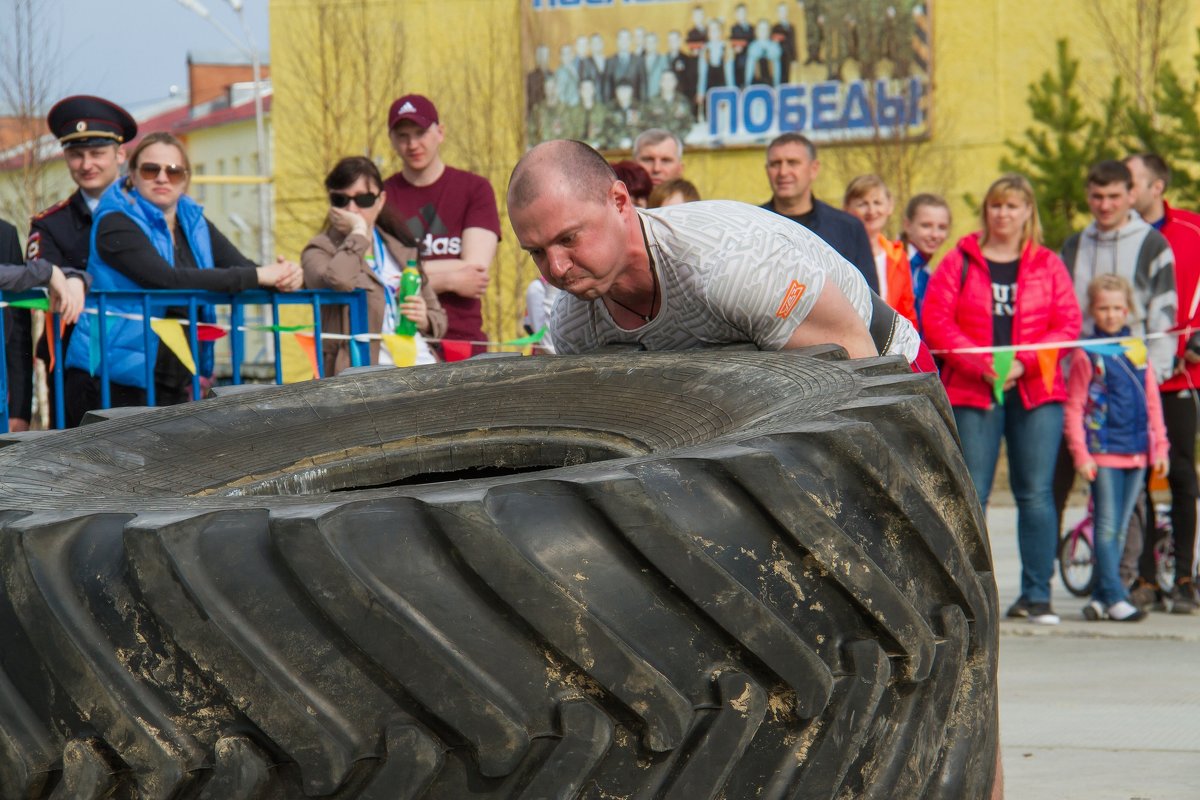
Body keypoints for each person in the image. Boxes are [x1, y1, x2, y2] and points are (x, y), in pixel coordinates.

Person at [506, 140, 924, 367]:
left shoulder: (730, 264)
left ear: (619, 202)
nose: (556, 268)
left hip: (888, 367)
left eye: (569, 239)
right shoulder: (573, 324)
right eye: (537, 253)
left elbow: (860, 376)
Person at [922, 174, 1082, 625]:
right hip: (974, 390)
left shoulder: (1048, 264)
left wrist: (1022, 363)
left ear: (1027, 212)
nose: (1003, 214)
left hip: (1037, 391)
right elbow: (936, 322)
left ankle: (1036, 595)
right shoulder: (958, 261)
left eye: (1012, 207)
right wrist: (984, 366)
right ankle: (969, 600)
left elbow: (1067, 324)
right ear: (986, 211)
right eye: (996, 206)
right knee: (972, 494)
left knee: (1036, 494)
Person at [63, 132, 303, 428]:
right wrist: (259, 275)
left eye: (174, 171)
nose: (163, 178)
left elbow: (242, 267)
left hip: (174, 372)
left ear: (185, 178)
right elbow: (167, 280)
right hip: (109, 376)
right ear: (133, 175)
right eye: (152, 170)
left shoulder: (194, 220)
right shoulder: (114, 221)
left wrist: (286, 277)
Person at [1053, 159, 1177, 602]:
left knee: (1132, 502)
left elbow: (1164, 312)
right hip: (1083, 381)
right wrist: (1069, 371)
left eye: (1114, 196)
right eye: (1097, 196)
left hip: (1136, 377)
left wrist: (1152, 374)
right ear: (1089, 196)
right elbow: (1065, 311)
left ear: (1130, 195)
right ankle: (1082, 584)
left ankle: (1124, 580)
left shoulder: (1152, 243)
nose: (1104, 204)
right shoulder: (1073, 245)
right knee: (1073, 490)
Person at [24, 95, 137, 430]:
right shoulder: (50, 224)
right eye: (76, 154)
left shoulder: (149, 213)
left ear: (120, 154)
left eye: (97, 153)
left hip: (148, 364)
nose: (86, 164)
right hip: (78, 373)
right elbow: (40, 277)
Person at [1064, 274, 1168, 622]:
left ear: (1128, 310)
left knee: (1122, 529)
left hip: (1137, 454)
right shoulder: (1087, 354)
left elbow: (1152, 401)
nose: (1111, 315)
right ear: (1093, 310)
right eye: (1103, 308)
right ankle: (1116, 597)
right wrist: (1081, 454)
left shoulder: (1138, 350)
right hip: (1102, 454)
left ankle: (1100, 596)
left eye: (1117, 308)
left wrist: (1161, 449)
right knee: (1107, 527)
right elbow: (1075, 407)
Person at [1124, 152, 1200, 613]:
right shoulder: (1123, 236)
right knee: (1140, 475)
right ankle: (1147, 577)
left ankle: (1187, 576)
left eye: (1131, 182)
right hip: (1132, 377)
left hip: (1181, 377)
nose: (1123, 192)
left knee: (1182, 474)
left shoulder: (1192, 230)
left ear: (1157, 187)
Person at [301, 156, 446, 375]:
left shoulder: (400, 249)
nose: (352, 208)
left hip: (418, 366)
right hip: (361, 378)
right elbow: (340, 280)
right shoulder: (319, 250)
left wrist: (424, 318)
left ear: (381, 200)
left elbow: (440, 320)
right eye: (340, 200)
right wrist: (358, 232)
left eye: (364, 200)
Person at [383, 94, 501, 357]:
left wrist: (406, 278)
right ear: (391, 140)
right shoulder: (382, 197)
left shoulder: (474, 189)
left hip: (463, 341)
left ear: (440, 132)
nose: (412, 144)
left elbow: (475, 269)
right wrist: (449, 279)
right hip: (401, 343)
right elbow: (381, 278)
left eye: (420, 132)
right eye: (402, 135)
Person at [761, 133, 878, 293]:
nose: (783, 171)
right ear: (767, 170)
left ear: (813, 169)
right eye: (775, 164)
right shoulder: (752, 226)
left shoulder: (848, 228)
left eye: (792, 163)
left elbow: (869, 299)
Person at [842, 175, 918, 325]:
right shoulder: (839, 252)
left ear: (889, 207)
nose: (871, 210)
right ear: (846, 208)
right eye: (862, 204)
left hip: (890, 341)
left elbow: (907, 312)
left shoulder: (897, 256)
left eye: (877, 203)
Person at [900, 193, 951, 323]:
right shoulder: (898, 264)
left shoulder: (925, 268)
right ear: (907, 225)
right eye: (926, 226)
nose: (935, 234)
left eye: (942, 227)